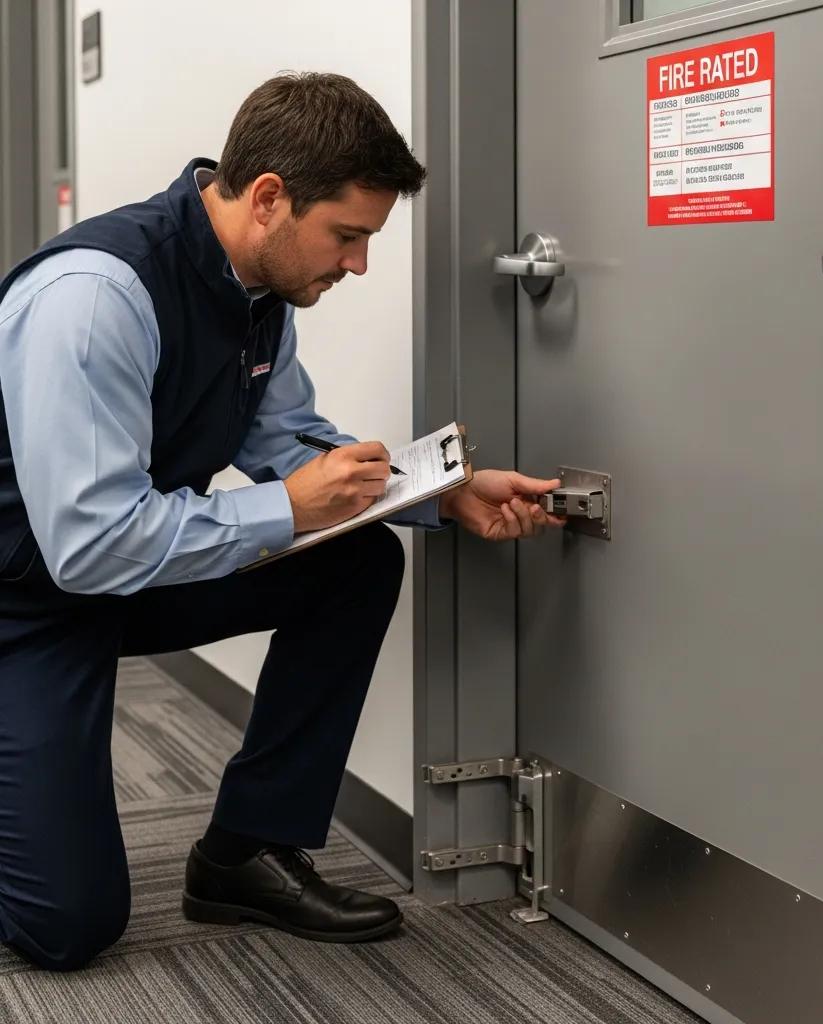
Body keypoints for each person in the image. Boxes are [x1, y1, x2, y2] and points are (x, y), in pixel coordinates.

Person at [0, 72, 565, 972]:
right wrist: (283, 507)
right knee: (67, 926)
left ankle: (244, 854)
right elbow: (90, 545)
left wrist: (439, 492)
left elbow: (290, 442)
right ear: (268, 198)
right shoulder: (97, 297)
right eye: (347, 236)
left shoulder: (258, 294)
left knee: (356, 563)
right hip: (27, 600)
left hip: (118, 578)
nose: (357, 265)